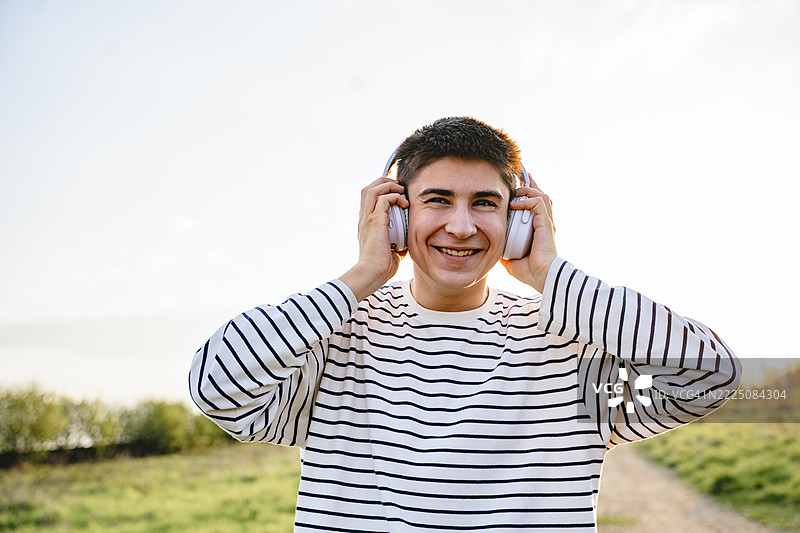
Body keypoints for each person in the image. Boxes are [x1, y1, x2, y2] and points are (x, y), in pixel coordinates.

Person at [189, 117, 741, 532]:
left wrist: (549, 273)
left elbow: (711, 375)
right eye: (437, 200)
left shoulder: (570, 343)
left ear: (518, 220)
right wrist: (363, 274)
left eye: (484, 203)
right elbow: (214, 387)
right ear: (396, 214)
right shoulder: (333, 340)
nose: (460, 226)